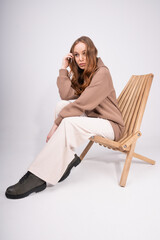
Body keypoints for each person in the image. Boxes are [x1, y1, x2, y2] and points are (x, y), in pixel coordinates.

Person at [5, 36, 125, 199]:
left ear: (92, 52)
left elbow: (82, 104)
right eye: (76, 55)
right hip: (96, 118)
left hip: (111, 125)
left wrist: (56, 124)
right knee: (60, 106)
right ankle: (68, 158)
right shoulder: (86, 73)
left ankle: (38, 176)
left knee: (68, 123)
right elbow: (66, 95)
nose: (81, 59)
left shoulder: (102, 73)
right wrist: (64, 68)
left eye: (84, 53)